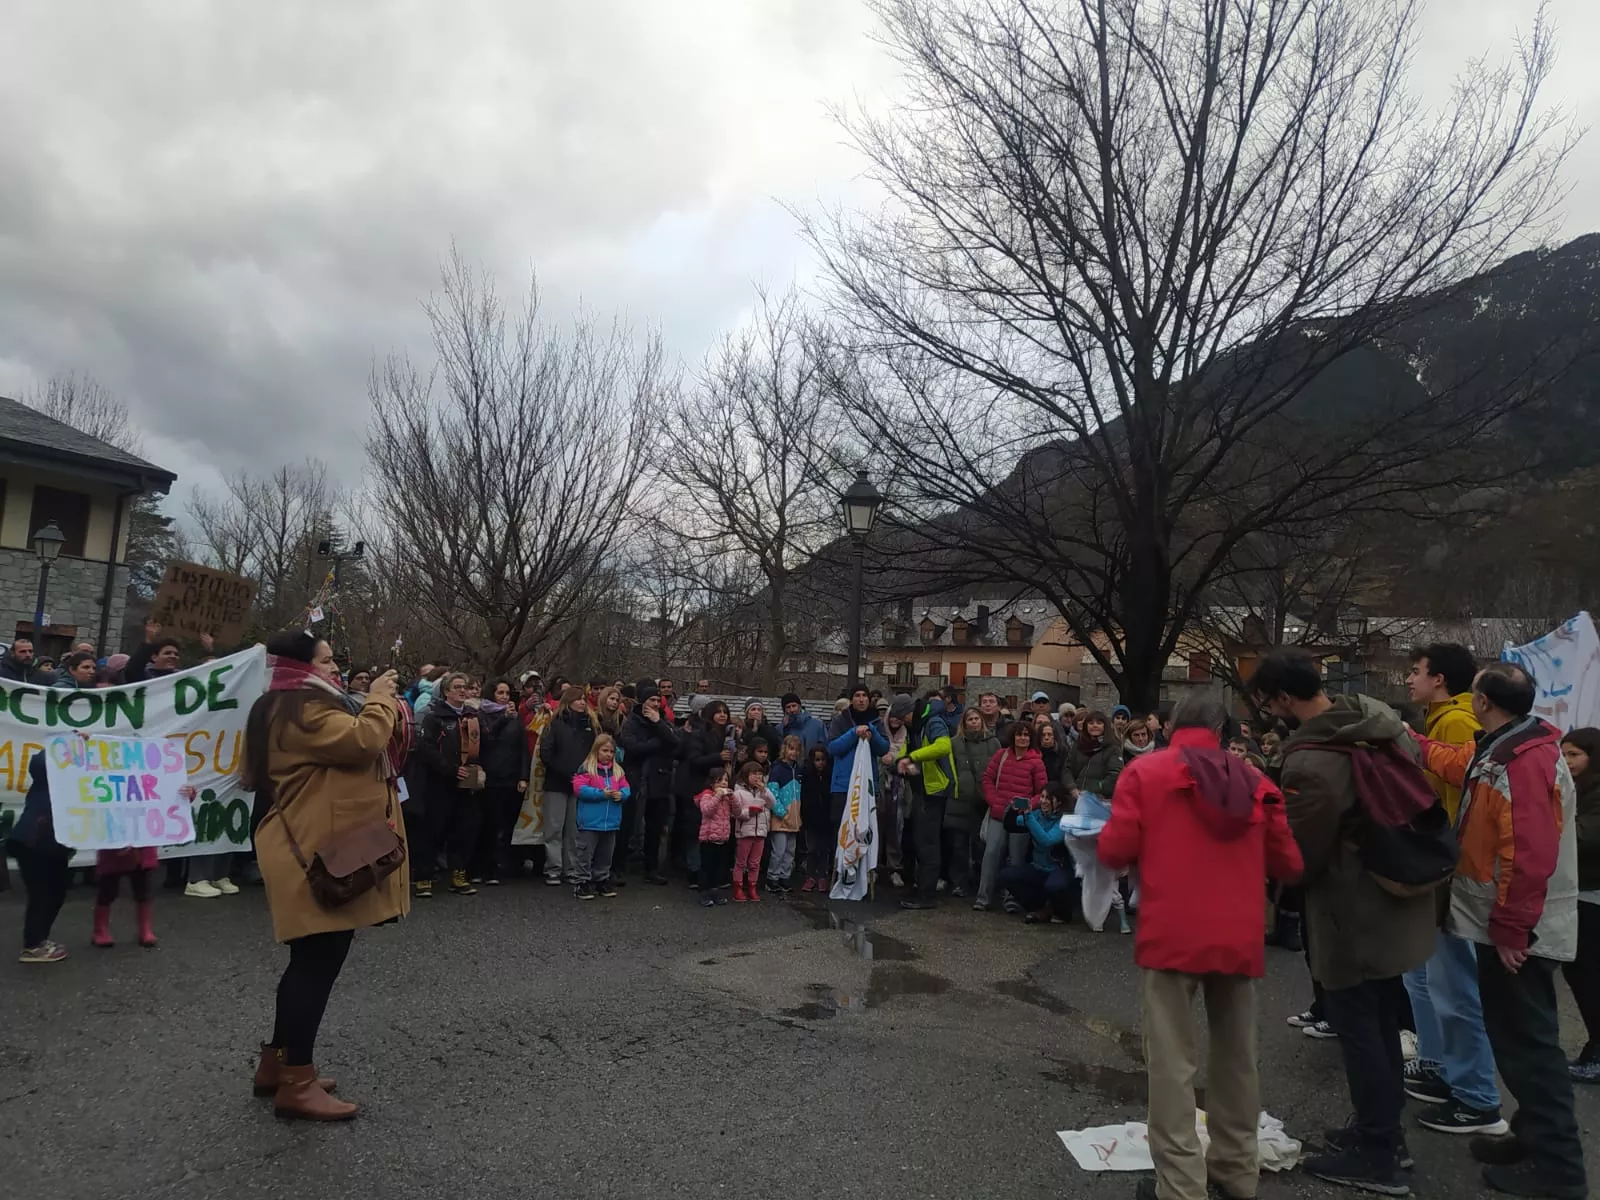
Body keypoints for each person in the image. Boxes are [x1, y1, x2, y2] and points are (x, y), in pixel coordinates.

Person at [1099, 689, 1304, 1200]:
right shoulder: (1255, 781)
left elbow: (1116, 849)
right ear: (1222, 731)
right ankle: (1237, 1173)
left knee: (1172, 1064)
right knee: (1237, 1057)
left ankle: (1182, 1186)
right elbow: (1290, 866)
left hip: (1171, 932)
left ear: (1170, 726)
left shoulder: (1144, 774)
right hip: (1237, 935)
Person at [1250, 650, 1436, 1194]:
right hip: (1396, 892)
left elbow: (1300, 851)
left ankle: (1379, 1154)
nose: (1269, 711)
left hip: (1350, 909)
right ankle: (1382, 1133)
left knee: (1360, 1030)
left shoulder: (1311, 759)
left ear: (1286, 698)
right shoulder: (1378, 721)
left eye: (1269, 701)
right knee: (1381, 1019)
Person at [1416, 663, 1586, 1199]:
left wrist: (1514, 929)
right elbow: (1455, 763)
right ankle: (1530, 1137)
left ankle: (1558, 1169)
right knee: (1517, 1042)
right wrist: (1408, 740)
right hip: (1507, 923)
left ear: (1484, 700)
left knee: (1530, 1047)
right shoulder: (1506, 744)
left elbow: (1531, 850)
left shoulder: (1523, 759)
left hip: (1520, 929)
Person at [246, 631, 408, 1121]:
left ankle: (277, 1064)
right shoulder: (302, 708)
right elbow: (363, 741)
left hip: (313, 845)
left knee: (307, 963)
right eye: (327, 660)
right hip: (313, 853)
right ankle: (297, 1083)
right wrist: (379, 698)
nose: (335, 668)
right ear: (300, 666)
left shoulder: (290, 703)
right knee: (316, 967)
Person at [1398, 643, 1504, 1136]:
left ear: (1439, 679)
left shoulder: (1458, 723)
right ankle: (1441, 1065)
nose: (1408, 679)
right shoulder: (1440, 719)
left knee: (1451, 985)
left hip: (1451, 868)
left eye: (1416, 671)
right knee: (1425, 977)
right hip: (1439, 864)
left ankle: (1476, 1096)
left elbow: (1465, 800)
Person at [414, 672, 483, 897]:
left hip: (466, 785)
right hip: (439, 784)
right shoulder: (434, 717)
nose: (463, 690)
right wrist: (451, 769)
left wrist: (478, 768)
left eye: (465, 686)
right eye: (457, 687)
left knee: (463, 830)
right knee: (433, 830)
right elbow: (427, 749)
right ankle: (424, 876)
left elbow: (483, 745)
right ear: (446, 691)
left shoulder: (472, 717)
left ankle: (459, 875)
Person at [1557, 727, 1600, 1084]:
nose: (1568, 762)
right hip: (1578, 892)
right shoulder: (1575, 789)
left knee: (1588, 976)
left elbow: (1584, 838)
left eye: (1575, 755)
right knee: (1580, 973)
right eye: (1564, 755)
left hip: (1592, 895)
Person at [976, 722, 1046, 913]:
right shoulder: (1002, 755)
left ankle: (1012, 900)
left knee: (1016, 859)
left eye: (1026, 735)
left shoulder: (1036, 762)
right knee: (991, 853)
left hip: (1021, 819)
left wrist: (1027, 805)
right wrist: (993, 800)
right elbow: (987, 779)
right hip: (998, 814)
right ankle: (983, 898)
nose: (1022, 738)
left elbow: (1041, 792)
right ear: (1012, 737)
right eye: (1019, 735)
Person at [8, 751, 71, 962]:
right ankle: (33, 945)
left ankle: (38, 941)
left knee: (56, 892)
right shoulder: (47, 778)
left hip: (53, 844)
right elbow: (39, 762)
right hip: (34, 842)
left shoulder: (74, 783)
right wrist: (71, 742)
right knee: (42, 894)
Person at [618, 681, 680, 885]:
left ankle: (651, 868)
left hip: (659, 779)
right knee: (628, 825)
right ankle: (617, 867)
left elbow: (675, 743)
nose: (655, 703)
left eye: (657, 700)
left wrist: (657, 723)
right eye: (651, 700)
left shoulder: (662, 722)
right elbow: (632, 747)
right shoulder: (631, 722)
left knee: (655, 827)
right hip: (636, 778)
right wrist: (656, 743)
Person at [900, 692, 956, 911]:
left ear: (910, 712)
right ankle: (921, 886)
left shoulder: (933, 722)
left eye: (902, 716)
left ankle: (927, 894)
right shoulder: (915, 727)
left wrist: (912, 758)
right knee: (918, 841)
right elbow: (907, 753)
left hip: (935, 791)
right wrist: (899, 763)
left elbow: (944, 747)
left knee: (928, 844)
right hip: (922, 790)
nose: (901, 721)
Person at [538, 686, 596, 887]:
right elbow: (546, 753)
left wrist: (584, 774)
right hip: (557, 782)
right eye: (578, 699)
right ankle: (553, 868)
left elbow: (594, 753)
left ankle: (571, 868)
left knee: (574, 829)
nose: (582, 703)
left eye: (584, 699)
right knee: (554, 828)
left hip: (580, 784)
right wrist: (566, 772)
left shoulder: (590, 725)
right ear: (569, 701)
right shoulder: (555, 724)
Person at [473, 679, 529, 885]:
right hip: (491, 775)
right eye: (500, 693)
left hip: (511, 776)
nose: (505, 697)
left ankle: (502, 864)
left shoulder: (516, 718)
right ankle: (483, 867)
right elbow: (486, 739)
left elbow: (523, 748)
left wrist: (524, 776)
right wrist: (502, 719)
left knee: (507, 824)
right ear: (492, 694)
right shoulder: (482, 714)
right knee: (488, 824)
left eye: (507, 693)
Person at [827, 686, 890, 868]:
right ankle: (840, 868)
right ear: (852, 699)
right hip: (844, 784)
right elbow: (833, 748)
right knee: (842, 830)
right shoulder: (841, 720)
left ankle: (863, 869)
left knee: (864, 830)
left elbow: (883, 748)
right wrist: (853, 733)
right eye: (857, 696)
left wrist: (872, 732)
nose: (861, 699)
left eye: (864, 696)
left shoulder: (876, 721)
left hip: (867, 785)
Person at [998, 782, 1077, 923]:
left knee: (1054, 886)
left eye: (1048, 798)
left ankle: (1062, 912)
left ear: (1058, 802)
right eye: (1042, 797)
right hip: (1037, 867)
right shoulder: (1037, 815)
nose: (1043, 801)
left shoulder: (1065, 821)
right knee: (1007, 875)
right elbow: (1011, 824)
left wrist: (1029, 817)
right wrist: (1012, 809)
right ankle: (1039, 908)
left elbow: (1046, 840)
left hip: (1057, 869)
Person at [570, 734, 628, 901]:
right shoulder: (587, 768)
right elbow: (579, 789)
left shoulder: (617, 770)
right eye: (605, 750)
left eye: (611, 751)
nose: (608, 754)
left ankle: (601, 879)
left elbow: (626, 788)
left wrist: (622, 794)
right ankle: (582, 881)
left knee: (606, 854)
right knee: (585, 853)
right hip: (590, 821)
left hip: (610, 822)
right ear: (596, 750)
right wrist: (601, 794)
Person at [947, 708, 997, 900]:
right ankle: (959, 883)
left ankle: (979, 882)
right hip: (959, 799)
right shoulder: (955, 743)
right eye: (971, 719)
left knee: (980, 845)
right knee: (958, 846)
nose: (974, 722)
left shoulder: (993, 743)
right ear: (964, 723)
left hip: (983, 801)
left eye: (977, 718)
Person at [730, 759, 771, 903]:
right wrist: (749, 812)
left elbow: (772, 803)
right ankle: (738, 887)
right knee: (741, 862)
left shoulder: (763, 791)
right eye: (754, 774)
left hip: (760, 832)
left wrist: (764, 790)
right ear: (746, 775)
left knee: (755, 863)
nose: (757, 777)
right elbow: (736, 813)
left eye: (760, 774)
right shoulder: (739, 792)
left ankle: (752, 887)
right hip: (744, 832)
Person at [767, 735, 803, 894]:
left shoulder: (799, 770)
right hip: (781, 819)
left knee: (790, 851)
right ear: (784, 749)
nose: (793, 752)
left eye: (796, 749)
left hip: (794, 819)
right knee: (779, 851)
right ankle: (772, 877)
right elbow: (772, 794)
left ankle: (784, 876)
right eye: (791, 748)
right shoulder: (778, 769)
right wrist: (781, 812)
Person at [696, 767, 735, 907]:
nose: (724, 783)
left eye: (726, 780)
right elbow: (707, 810)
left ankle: (715, 891)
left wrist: (732, 797)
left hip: (722, 838)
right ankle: (704, 893)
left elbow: (736, 811)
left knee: (718, 868)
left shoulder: (727, 799)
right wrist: (718, 796)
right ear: (712, 783)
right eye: (720, 781)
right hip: (708, 839)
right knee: (706, 867)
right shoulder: (707, 796)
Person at [1065, 710, 1123, 801]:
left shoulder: (1113, 748)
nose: (1094, 725)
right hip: (1076, 797)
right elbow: (1067, 769)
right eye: (1091, 723)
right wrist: (1072, 788)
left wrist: (1094, 789)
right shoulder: (1078, 745)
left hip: (1100, 799)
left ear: (1105, 726)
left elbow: (1115, 775)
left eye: (1099, 723)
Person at [799, 745, 834, 893]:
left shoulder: (830, 776)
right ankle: (810, 876)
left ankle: (822, 876)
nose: (820, 763)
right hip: (811, 818)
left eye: (823, 760)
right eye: (817, 760)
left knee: (825, 849)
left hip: (826, 818)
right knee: (812, 849)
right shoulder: (807, 776)